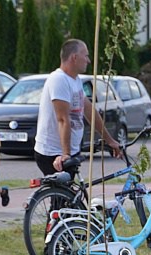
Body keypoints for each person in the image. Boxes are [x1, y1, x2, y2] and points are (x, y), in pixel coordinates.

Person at [34, 38, 122, 176]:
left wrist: (109, 140)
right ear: (74, 57)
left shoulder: (76, 80)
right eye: (86, 55)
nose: (88, 60)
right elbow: (63, 119)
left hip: (70, 151)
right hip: (54, 153)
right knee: (62, 196)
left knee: (70, 196)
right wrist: (65, 154)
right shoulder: (59, 79)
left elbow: (89, 110)